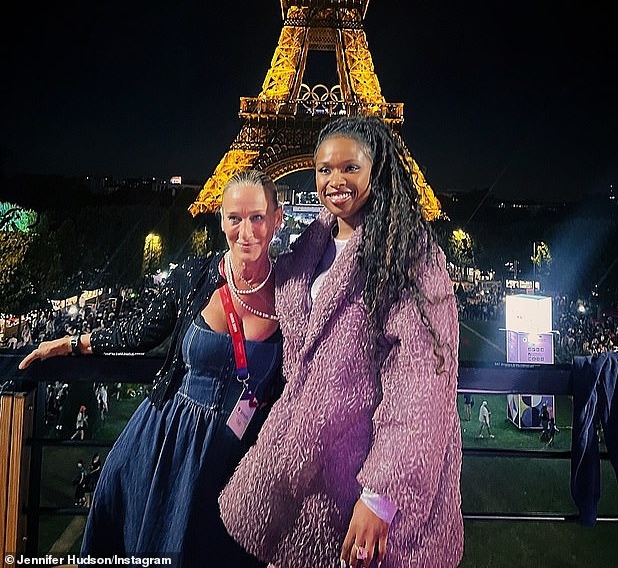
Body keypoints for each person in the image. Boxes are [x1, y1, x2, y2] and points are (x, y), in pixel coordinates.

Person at [219, 116, 463, 568]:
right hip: (307, 476)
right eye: (324, 169)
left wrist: (382, 493)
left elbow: (421, 382)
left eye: (349, 168)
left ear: (376, 170)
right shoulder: (312, 246)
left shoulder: (410, 257)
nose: (335, 181)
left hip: (364, 476)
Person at [19, 170, 284, 567]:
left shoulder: (295, 291)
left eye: (257, 217)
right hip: (170, 441)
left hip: (242, 456)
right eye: (234, 218)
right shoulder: (194, 277)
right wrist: (72, 342)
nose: (245, 231)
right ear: (221, 219)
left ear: (277, 219)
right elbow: (141, 330)